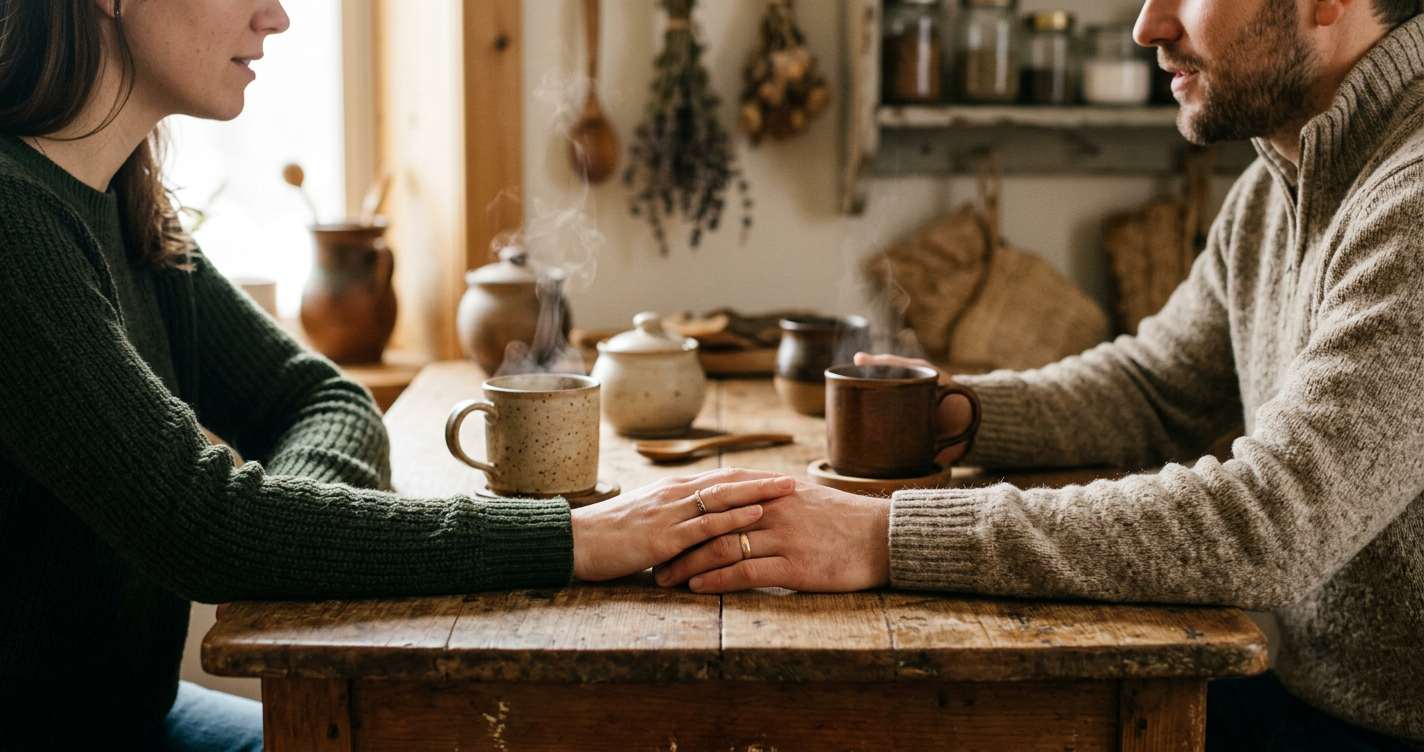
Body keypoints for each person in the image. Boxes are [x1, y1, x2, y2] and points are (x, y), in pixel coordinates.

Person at [0, 1, 794, 749]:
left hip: (132, 720)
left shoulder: (128, 204)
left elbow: (321, 397)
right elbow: (205, 527)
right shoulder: (14, 226)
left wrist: (300, 519)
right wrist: (570, 539)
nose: (276, 15)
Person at [658, 0, 1424, 749]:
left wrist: (888, 539)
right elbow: (1155, 386)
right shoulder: (1279, 183)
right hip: (1309, 707)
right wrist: (962, 412)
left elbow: (1272, 522)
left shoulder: (1412, 198)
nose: (1147, 27)